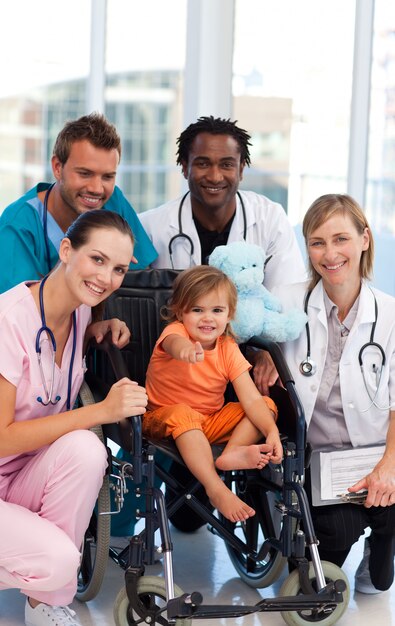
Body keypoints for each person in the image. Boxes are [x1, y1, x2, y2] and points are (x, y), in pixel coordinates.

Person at [0, 210, 148, 626]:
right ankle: (50, 585)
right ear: (66, 250)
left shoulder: (81, 311)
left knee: (86, 448)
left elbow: (59, 356)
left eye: (118, 268)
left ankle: (43, 602)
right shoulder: (8, 321)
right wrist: (100, 411)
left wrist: (99, 330)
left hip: (21, 475)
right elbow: (2, 438)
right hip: (8, 458)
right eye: (97, 259)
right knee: (61, 560)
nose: (106, 277)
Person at [274, 194, 395, 594]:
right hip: (317, 458)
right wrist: (259, 352)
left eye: (341, 238)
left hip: (378, 451)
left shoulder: (391, 316)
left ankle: (382, 544)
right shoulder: (287, 302)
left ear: (364, 239)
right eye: (317, 242)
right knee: (325, 557)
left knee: (379, 580)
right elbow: (229, 331)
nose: (330, 254)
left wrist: (388, 466)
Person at [139, 115, 306, 394]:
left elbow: (287, 297)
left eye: (226, 164)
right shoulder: (152, 227)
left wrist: (270, 351)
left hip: (249, 365)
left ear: (241, 169)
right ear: (184, 167)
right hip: (182, 371)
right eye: (203, 163)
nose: (215, 176)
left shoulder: (269, 218)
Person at [142, 265, 282, 522]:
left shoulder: (228, 348)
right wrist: (185, 350)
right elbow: (174, 344)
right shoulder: (176, 333)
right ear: (180, 311)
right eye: (197, 310)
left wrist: (271, 431)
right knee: (185, 415)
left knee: (265, 404)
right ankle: (216, 488)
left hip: (208, 422)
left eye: (217, 310)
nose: (208, 318)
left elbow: (249, 398)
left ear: (229, 314)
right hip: (162, 418)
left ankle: (231, 453)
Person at [0, 112, 157, 293]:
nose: (97, 188)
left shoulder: (114, 201)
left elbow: (142, 281)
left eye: (107, 176)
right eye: (85, 173)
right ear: (58, 168)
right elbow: (19, 308)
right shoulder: (17, 226)